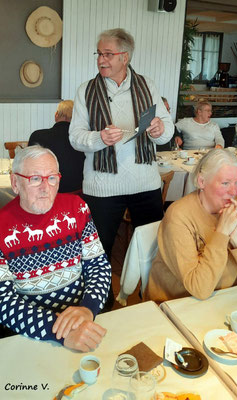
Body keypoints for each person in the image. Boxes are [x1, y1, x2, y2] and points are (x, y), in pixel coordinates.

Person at [69, 28, 174, 265]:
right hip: (102, 188)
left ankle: (149, 297)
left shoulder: (148, 85)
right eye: (98, 54)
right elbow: (75, 137)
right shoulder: (85, 90)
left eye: (108, 54)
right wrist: (99, 138)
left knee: (152, 250)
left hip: (145, 184)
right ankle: (100, 301)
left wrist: (159, 130)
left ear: (124, 57)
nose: (100, 60)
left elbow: (166, 128)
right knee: (98, 252)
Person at [0, 145, 111, 351]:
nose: (45, 188)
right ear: (15, 183)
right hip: (31, 335)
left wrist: (87, 309)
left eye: (51, 178)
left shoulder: (77, 208)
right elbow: (3, 301)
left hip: (84, 320)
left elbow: (98, 266)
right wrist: (58, 330)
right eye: (35, 178)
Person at [144, 148, 237, 303]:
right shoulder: (179, 216)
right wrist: (222, 233)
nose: (234, 191)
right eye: (225, 183)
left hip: (226, 300)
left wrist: (236, 243)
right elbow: (199, 289)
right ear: (202, 181)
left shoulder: (236, 211)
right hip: (180, 304)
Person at [28, 100, 85, 194]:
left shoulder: (38, 136)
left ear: (56, 115)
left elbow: (29, 166)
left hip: (46, 191)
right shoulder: (83, 138)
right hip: (78, 192)